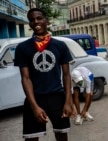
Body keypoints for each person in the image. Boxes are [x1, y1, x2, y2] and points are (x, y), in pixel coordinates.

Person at [14, 8, 73, 141]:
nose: (36, 22)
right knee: (32, 138)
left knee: (62, 135)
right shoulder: (23, 48)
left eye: (39, 18)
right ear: (29, 24)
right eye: (32, 20)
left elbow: (66, 75)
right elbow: (25, 78)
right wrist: (34, 107)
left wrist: (68, 101)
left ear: (47, 21)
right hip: (35, 99)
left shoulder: (60, 45)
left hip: (57, 98)